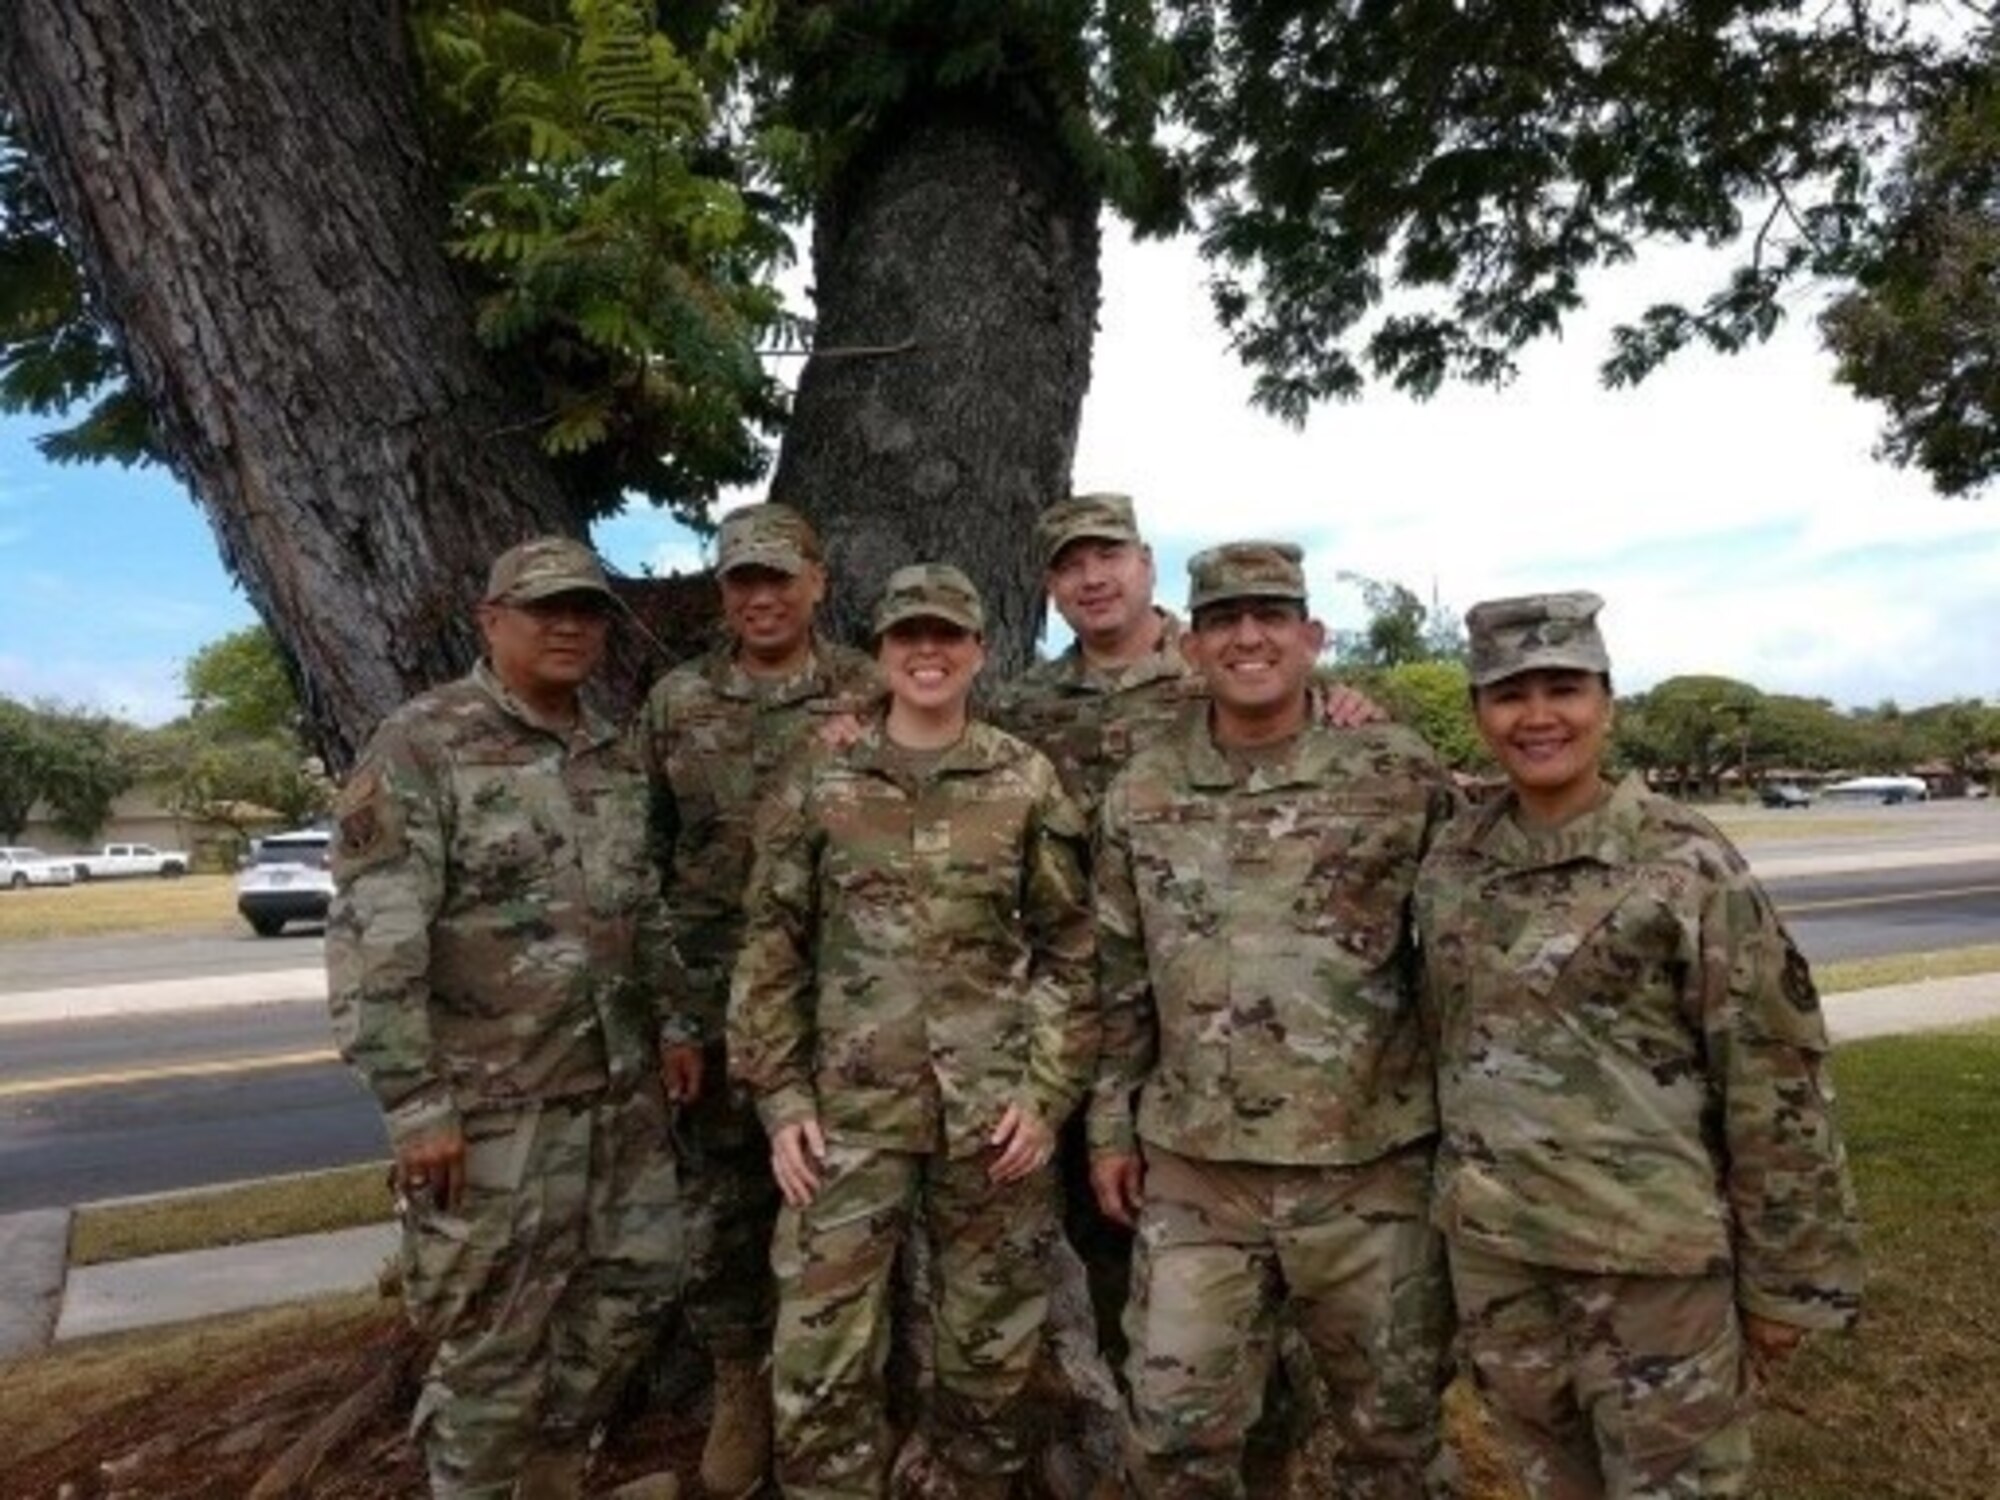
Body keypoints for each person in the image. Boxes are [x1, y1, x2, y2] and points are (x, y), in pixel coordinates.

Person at [1413, 592, 1862, 1499]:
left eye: (1563, 688)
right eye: (1508, 695)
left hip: (1652, 1268)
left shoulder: (1687, 862)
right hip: (1501, 1257)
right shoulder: (1453, 861)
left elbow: (1774, 1077)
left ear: (1607, 702)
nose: (1538, 717)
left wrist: (1789, 1280)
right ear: (1477, 716)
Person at [1089, 541, 1458, 1500]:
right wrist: (1106, 1130)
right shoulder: (1143, 790)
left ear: (1311, 635)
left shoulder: (1396, 769)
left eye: (1269, 616)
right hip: (1197, 1172)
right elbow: (1120, 977)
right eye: (1222, 620)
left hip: (1369, 1171)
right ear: (1191, 645)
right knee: (1172, 1439)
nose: (1248, 637)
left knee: (1393, 1440)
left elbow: (1461, 965)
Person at [327, 536, 687, 1500]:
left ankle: (555, 1469)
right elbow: (377, 938)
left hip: (618, 1090)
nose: (569, 626)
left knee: (643, 1281)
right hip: (492, 1108)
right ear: (492, 623)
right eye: (544, 610)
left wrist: (680, 1026)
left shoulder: (608, 749)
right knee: (492, 1337)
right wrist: (414, 1103)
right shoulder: (424, 744)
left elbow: (637, 904)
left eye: (587, 610)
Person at [729, 563, 1097, 1500]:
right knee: (821, 1356)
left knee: (990, 1351)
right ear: (882, 655)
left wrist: (1046, 1096)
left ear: (978, 651)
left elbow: (1071, 948)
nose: (927, 653)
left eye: (947, 636)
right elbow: (770, 950)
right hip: (843, 1122)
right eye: (907, 637)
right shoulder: (823, 781)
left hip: (993, 1121)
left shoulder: (1023, 780)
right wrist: (780, 1100)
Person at [638, 502, 877, 1497]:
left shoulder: (870, 689)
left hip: (850, 1007)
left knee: (856, 1204)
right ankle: (742, 1384)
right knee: (725, 1207)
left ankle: (856, 1394)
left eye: (780, 577)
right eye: (743, 581)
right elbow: (643, 862)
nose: (762, 597)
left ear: (817, 582)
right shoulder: (677, 703)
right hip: (714, 1003)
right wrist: (672, 1016)